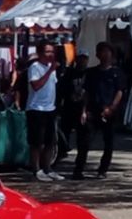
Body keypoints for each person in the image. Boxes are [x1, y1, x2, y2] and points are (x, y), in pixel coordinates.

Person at [74, 41, 126, 180]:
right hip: (93, 109)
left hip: (109, 110)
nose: (104, 54)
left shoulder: (117, 72)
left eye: (107, 51)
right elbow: (87, 92)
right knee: (85, 141)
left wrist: (112, 107)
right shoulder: (91, 72)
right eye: (101, 51)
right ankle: (78, 169)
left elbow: (120, 91)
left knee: (108, 142)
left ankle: (103, 169)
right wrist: (84, 110)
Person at [26, 40, 62, 181]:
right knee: (36, 142)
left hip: (50, 108)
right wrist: (50, 71)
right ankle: (36, 169)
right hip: (36, 108)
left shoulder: (51, 68)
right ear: (40, 53)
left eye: (52, 52)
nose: (50, 54)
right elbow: (36, 85)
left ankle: (47, 168)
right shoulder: (35, 67)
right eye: (47, 51)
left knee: (50, 141)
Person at [59, 51, 89, 160]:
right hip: (69, 106)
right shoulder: (69, 73)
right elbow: (61, 88)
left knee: (82, 134)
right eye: (80, 58)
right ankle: (62, 151)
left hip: (82, 107)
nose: (82, 61)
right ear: (76, 59)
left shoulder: (89, 74)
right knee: (65, 130)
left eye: (85, 58)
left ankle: (81, 156)